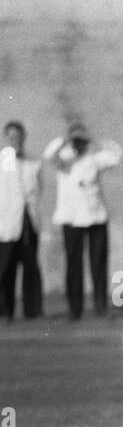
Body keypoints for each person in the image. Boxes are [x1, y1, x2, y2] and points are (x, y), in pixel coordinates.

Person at [44, 121, 123, 319]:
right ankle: (75, 309)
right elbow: (48, 155)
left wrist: (95, 139)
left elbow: (118, 154)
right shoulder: (63, 158)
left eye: (81, 140)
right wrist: (65, 138)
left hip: (96, 217)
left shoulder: (95, 158)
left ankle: (100, 306)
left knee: (98, 263)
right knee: (73, 265)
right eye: (75, 140)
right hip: (71, 219)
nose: (78, 144)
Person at [0, 120, 44, 322]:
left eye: (18, 136)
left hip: (29, 222)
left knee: (31, 267)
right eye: (11, 136)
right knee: (5, 267)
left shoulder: (33, 163)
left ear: (23, 137)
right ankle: (5, 311)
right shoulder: (3, 162)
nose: (15, 139)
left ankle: (33, 310)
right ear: (6, 138)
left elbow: (37, 189)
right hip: (7, 223)